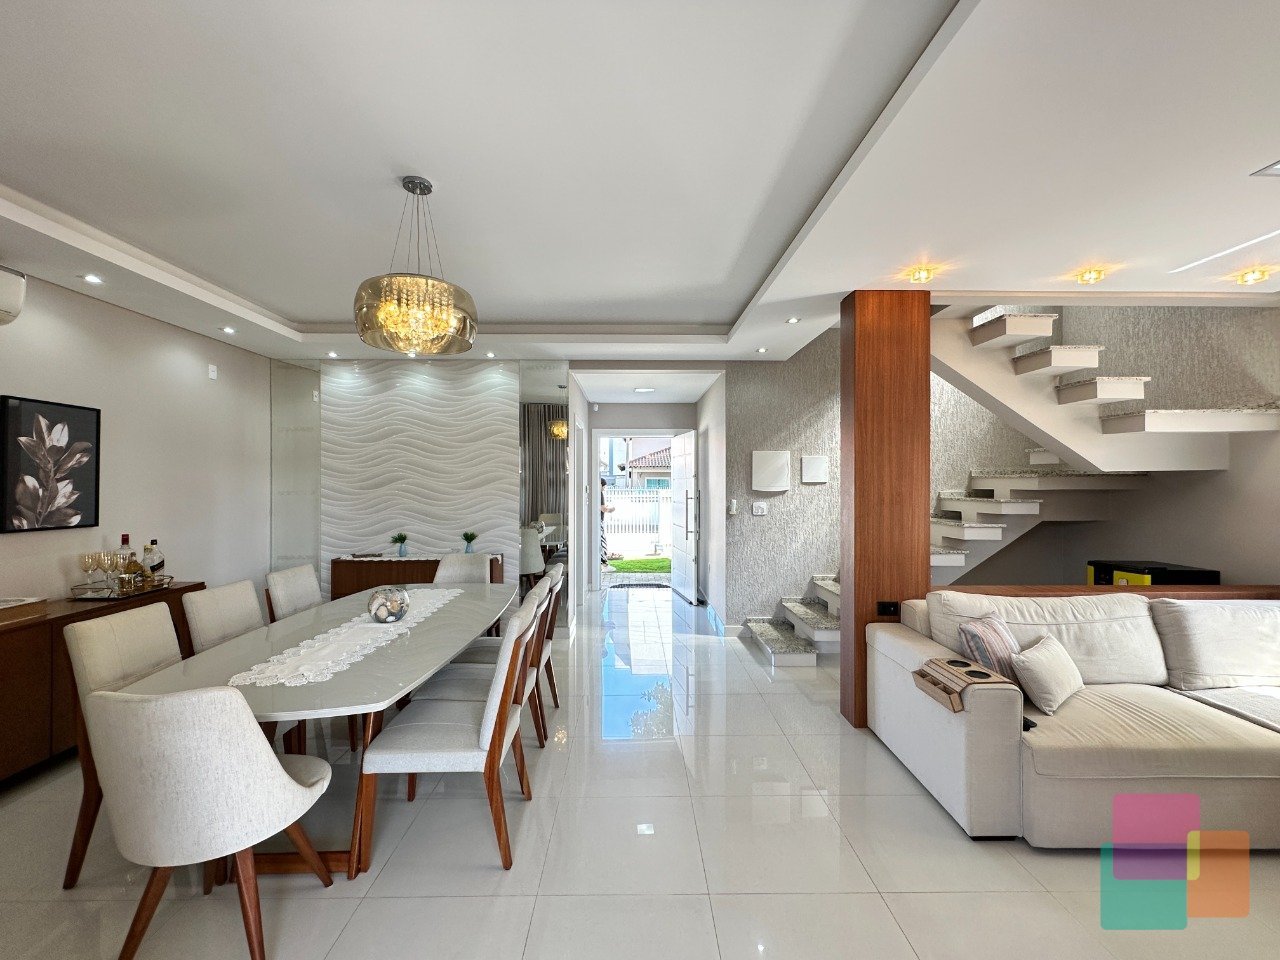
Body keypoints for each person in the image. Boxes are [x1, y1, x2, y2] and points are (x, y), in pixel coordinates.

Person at [600, 477, 615, 568]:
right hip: (599, 521)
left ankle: (602, 562)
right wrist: (611, 509)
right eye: (604, 486)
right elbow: (602, 508)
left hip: (599, 520)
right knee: (602, 541)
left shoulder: (596, 494)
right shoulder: (600, 494)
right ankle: (604, 563)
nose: (604, 488)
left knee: (601, 541)